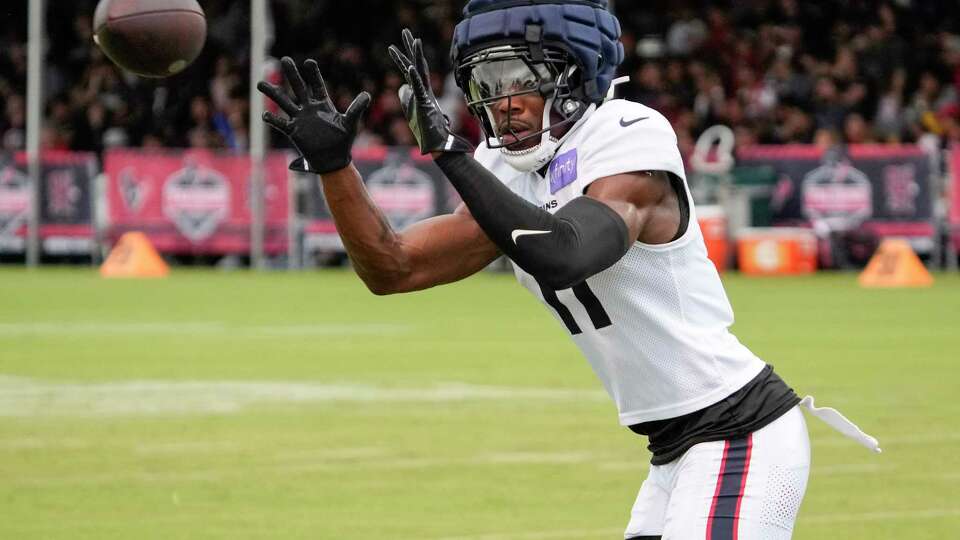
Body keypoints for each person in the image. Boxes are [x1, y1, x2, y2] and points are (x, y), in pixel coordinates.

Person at [257, 1, 880, 538]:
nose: (498, 102)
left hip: (738, 432)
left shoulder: (629, 133)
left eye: (515, 76)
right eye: (484, 79)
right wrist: (335, 167)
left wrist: (450, 152)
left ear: (574, 73)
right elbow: (392, 269)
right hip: (674, 451)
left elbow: (568, 254)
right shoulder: (506, 168)